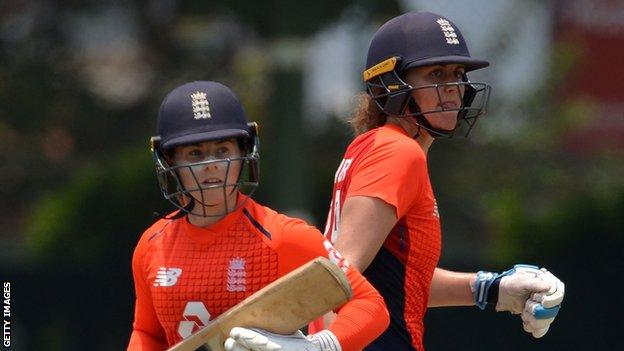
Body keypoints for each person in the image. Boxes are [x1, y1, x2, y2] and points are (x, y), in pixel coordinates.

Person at [308, 11, 565, 350]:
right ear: (391, 84)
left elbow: (398, 285)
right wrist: (323, 345)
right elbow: (341, 270)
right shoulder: (398, 151)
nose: (453, 89)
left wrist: (493, 289)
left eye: (457, 74)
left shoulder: (375, 145)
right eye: (436, 74)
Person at [127, 81, 389, 351]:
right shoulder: (151, 245)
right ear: (169, 162)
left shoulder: (283, 236)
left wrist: (318, 346)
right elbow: (148, 333)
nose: (211, 164)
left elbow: (370, 306)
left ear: (245, 153)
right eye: (195, 153)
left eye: (223, 150)